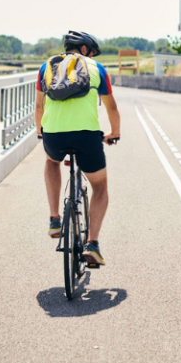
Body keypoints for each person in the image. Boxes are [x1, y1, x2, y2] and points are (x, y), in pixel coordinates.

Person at [35, 30, 121, 267]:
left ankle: (54, 218)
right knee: (100, 186)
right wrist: (115, 133)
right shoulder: (97, 68)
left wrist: (41, 132)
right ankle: (92, 244)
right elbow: (111, 108)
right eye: (91, 52)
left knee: (51, 161)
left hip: (53, 134)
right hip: (86, 136)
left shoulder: (46, 67)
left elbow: (39, 106)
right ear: (84, 50)